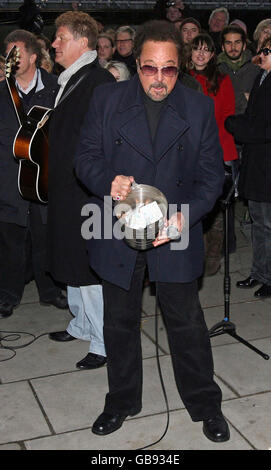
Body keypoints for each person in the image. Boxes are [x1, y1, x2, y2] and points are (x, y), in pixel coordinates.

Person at [75, 20, 229, 442]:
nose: (159, 79)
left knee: (186, 322)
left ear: (180, 67)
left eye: (169, 69)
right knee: (119, 323)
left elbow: (212, 176)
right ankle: (122, 400)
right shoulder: (106, 99)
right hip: (117, 227)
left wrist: (187, 214)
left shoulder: (197, 107)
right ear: (136, 62)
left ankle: (205, 403)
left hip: (173, 224)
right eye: (149, 68)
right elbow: (84, 156)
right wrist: (107, 180)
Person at [46, 11, 115, 370]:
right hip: (66, 187)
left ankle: (104, 342)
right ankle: (81, 324)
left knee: (89, 267)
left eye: (60, 37)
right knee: (70, 259)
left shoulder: (99, 81)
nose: (54, 44)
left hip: (87, 191)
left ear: (82, 42)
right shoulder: (71, 78)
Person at [0, 29, 68, 319]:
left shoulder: (57, 87)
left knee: (46, 236)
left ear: (32, 56)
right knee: (10, 241)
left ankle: (50, 290)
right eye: (8, 54)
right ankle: (8, 294)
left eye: (16, 53)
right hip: (7, 179)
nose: (11, 59)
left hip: (44, 178)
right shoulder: (2, 91)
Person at [225, 36, 271, 299]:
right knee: (258, 223)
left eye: (267, 50)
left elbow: (265, 128)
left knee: (267, 224)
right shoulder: (260, 78)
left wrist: (236, 126)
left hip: (267, 165)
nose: (261, 54)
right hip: (256, 163)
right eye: (262, 49)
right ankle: (260, 272)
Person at [188, 33, 238, 275]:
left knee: (215, 211)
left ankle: (212, 261)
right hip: (188, 152)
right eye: (196, 49)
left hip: (215, 151)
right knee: (191, 210)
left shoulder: (222, 80)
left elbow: (227, 116)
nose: (200, 54)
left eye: (206, 49)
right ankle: (193, 258)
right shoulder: (181, 78)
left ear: (212, 54)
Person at [218, 25, 260, 116]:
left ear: (244, 46)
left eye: (237, 42)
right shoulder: (214, 70)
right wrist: (243, 97)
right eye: (228, 43)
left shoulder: (256, 69)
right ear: (222, 47)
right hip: (221, 124)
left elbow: (261, 101)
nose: (233, 47)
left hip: (249, 124)